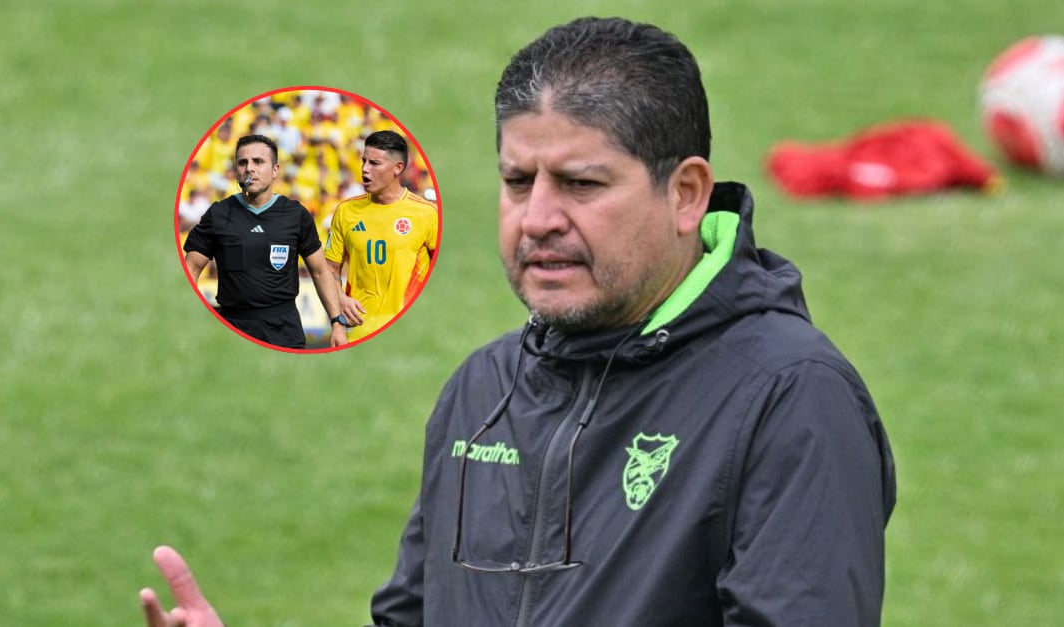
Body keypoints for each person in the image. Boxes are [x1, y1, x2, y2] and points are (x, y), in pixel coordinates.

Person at [143, 17, 896, 626]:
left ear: (686, 194)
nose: (537, 219)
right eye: (516, 180)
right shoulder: (485, 389)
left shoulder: (788, 397)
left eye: (580, 184)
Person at [182, 134, 352, 349]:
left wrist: (337, 323)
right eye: (242, 163)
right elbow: (191, 268)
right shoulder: (218, 214)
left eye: (258, 162)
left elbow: (320, 271)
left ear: (275, 170)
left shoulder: (295, 215)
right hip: (232, 328)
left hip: (283, 330)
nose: (249, 168)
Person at [323, 130, 439, 342]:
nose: (365, 169)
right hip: (357, 331)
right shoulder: (346, 211)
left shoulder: (427, 214)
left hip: (406, 334)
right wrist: (339, 310)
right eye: (364, 161)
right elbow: (329, 269)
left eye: (374, 163)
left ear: (398, 168)